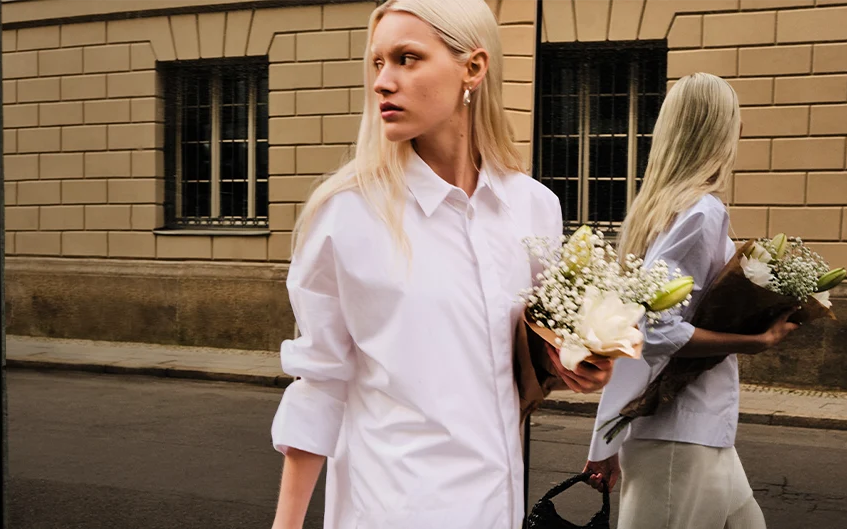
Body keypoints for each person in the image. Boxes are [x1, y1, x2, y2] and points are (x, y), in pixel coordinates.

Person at [268, 1, 613, 528]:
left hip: (497, 504)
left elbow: (524, 357)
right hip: (391, 507)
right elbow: (319, 383)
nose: (383, 81)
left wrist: (573, 364)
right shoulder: (346, 214)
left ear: (473, 68)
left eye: (407, 58)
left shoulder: (533, 207)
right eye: (378, 63)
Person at [582, 72, 800, 529]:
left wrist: (608, 441)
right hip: (680, 434)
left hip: (690, 429)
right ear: (718, 129)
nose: (741, 131)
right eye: (735, 120)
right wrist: (754, 340)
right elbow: (653, 331)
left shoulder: (660, 212)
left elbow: (629, 332)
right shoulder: (703, 212)